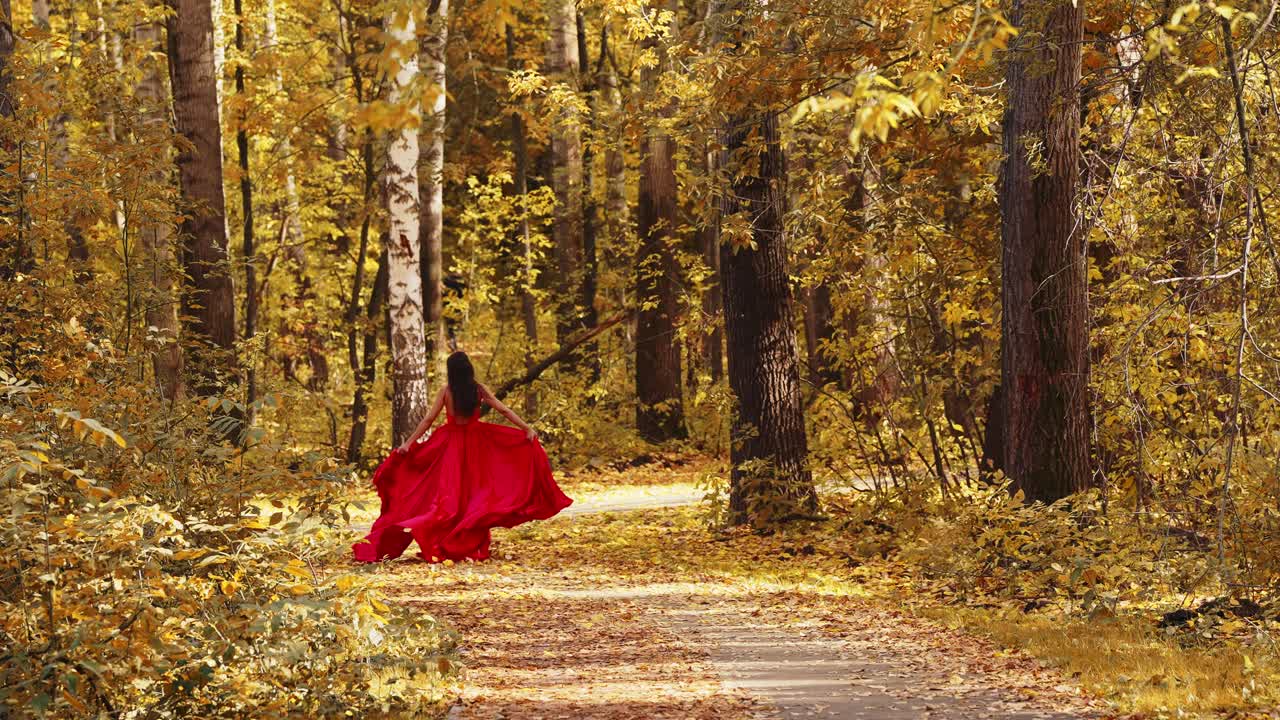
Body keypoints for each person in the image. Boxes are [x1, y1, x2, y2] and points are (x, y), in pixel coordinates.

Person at [352, 351, 572, 563]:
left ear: (451, 372)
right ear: (468, 370)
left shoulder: (447, 391)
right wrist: (526, 428)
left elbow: (428, 420)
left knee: (450, 498)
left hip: (451, 446)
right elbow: (503, 410)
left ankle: (446, 544)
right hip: (477, 445)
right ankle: (466, 545)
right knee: (473, 496)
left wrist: (409, 444)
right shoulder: (478, 389)